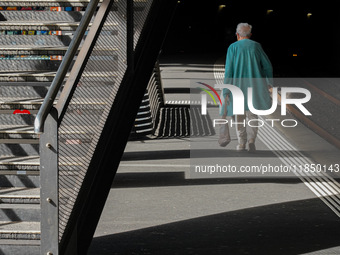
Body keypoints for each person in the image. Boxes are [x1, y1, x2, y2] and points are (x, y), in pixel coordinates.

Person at [221, 23, 273, 152]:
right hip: (255, 87)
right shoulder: (256, 46)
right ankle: (251, 140)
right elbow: (267, 66)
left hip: (237, 87)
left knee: (238, 116)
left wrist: (226, 90)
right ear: (250, 35)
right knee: (253, 115)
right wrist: (268, 83)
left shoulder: (232, 48)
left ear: (237, 35)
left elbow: (229, 71)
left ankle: (241, 143)